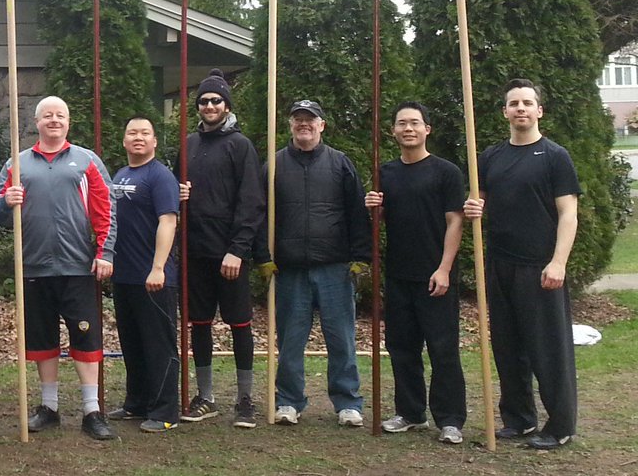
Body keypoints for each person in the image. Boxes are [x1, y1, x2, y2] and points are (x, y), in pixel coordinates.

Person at [0, 96, 118, 440]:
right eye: (47, 115)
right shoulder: (17, 163)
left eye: (60, 115)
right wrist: (6, 202)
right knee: (42, 339)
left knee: (86, 337)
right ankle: (49, 407)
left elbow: (105, 208)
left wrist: (105, 252)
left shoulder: (86, 161)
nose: (54, 120)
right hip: (34, 266)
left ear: (68, 122)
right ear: (36, 122)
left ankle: (92, 410)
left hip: (78, 266)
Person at [463, 79, 580, 450]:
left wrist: (558, 262)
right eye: (514, 103)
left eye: (527, 103)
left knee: (548, 350)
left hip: (540, 267)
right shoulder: (490, 157)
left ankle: (560, 426)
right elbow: (478, 202)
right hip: (500, 264)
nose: (520, 109)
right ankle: (519, 420)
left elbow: (568, 214)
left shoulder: (555, 156)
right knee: (508, 348)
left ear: (539, 110)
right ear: (505, 112)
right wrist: (473, 208)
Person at [258, 99, 371, 428]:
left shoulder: (340, 163)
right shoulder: (274, 165)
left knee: (341, 338)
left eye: (310, 119)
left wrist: (361, 257)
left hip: (334, 268)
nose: (304, 124)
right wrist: (263, 257)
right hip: (290, 269)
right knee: (290, 340)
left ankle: (347, 402)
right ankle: (288, 401)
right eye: (298, 119)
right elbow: (259, 214)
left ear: (322, 125)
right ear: (290, 125)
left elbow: (356, 213)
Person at [364, 102, 467, 444]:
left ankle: (450, 419)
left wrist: (444, 268)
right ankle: (410, 412)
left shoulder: (446, 172)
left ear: (427, 129)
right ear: (393, 131)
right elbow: (380, 222)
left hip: (436, 275)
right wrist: (373, 209)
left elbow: (455, 221)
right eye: (401, 124)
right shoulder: (386, 173)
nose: (408, 129)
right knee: (401, 347)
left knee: (443, 348)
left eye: (415, 123)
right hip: (399, 274)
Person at [176, 69, 265, 427]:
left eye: (216, 100)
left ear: (226, 105)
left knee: (239, 323)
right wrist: (178, 193)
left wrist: (238, 249)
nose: (209, 106)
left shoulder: (240, 146)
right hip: (195, 252)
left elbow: (251, 201)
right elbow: (174, 191)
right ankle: (206, 396)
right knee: (199, 323)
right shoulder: (188, 145)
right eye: (203, 101)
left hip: (229, 254)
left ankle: (245, 399)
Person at [106, 116, 181, 433]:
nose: (138, 137)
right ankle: (136, 403)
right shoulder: (120, 175)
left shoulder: (160, 176)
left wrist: (158, 267)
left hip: (154, 278)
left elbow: (168, 221)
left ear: (154, 141)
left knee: (158, 344)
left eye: (145, 133)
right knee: (132, 343)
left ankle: (165, 411)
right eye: (132, 132)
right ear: (124, 141)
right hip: (124, 275)